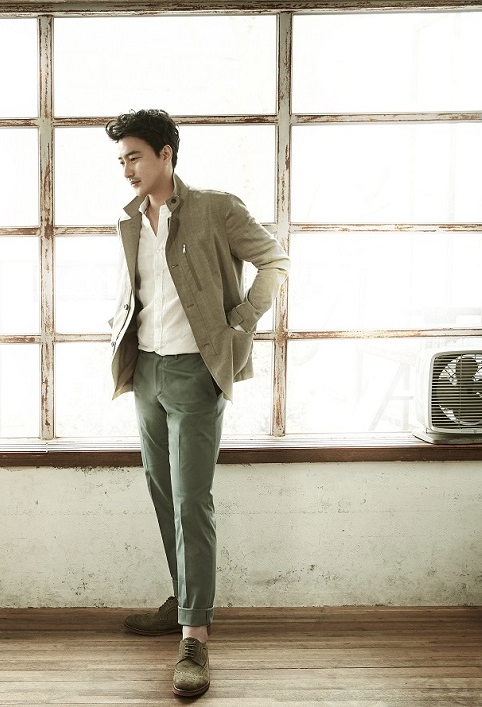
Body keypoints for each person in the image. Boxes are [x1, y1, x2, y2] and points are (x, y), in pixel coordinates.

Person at [106, 109, 289, 697]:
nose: (127, 169)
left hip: (195, 372)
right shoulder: (130, 220)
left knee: (191, 501)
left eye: (135, 156)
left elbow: (274, 260)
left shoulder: (216, 208)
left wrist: (242, 322)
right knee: (164, 495)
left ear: (166, 154)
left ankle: (195, 638)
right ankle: (183, 600)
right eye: (122, 160)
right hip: (146, 371)